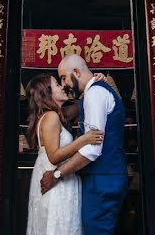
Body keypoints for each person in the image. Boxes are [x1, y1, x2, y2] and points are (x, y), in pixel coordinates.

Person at [41, 55, 128, 235]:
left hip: (101, 179)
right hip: (101, 177)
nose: (63, 84)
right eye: (59, 83)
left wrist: (57, 174)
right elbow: (67, 114)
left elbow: (92, 150)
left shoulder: (95, 94)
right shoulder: (91, 94)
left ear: (76, 72)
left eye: (63, 78)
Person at [26, 74, 104, 235]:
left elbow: (84, 104)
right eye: (56, 84)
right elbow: (54, 156)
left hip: (60, 179)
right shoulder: (51, 117)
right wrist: (83, 140)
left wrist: (94, 84)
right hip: (55, 182)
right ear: (46, 93)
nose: (62, 86)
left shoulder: (57, 114)